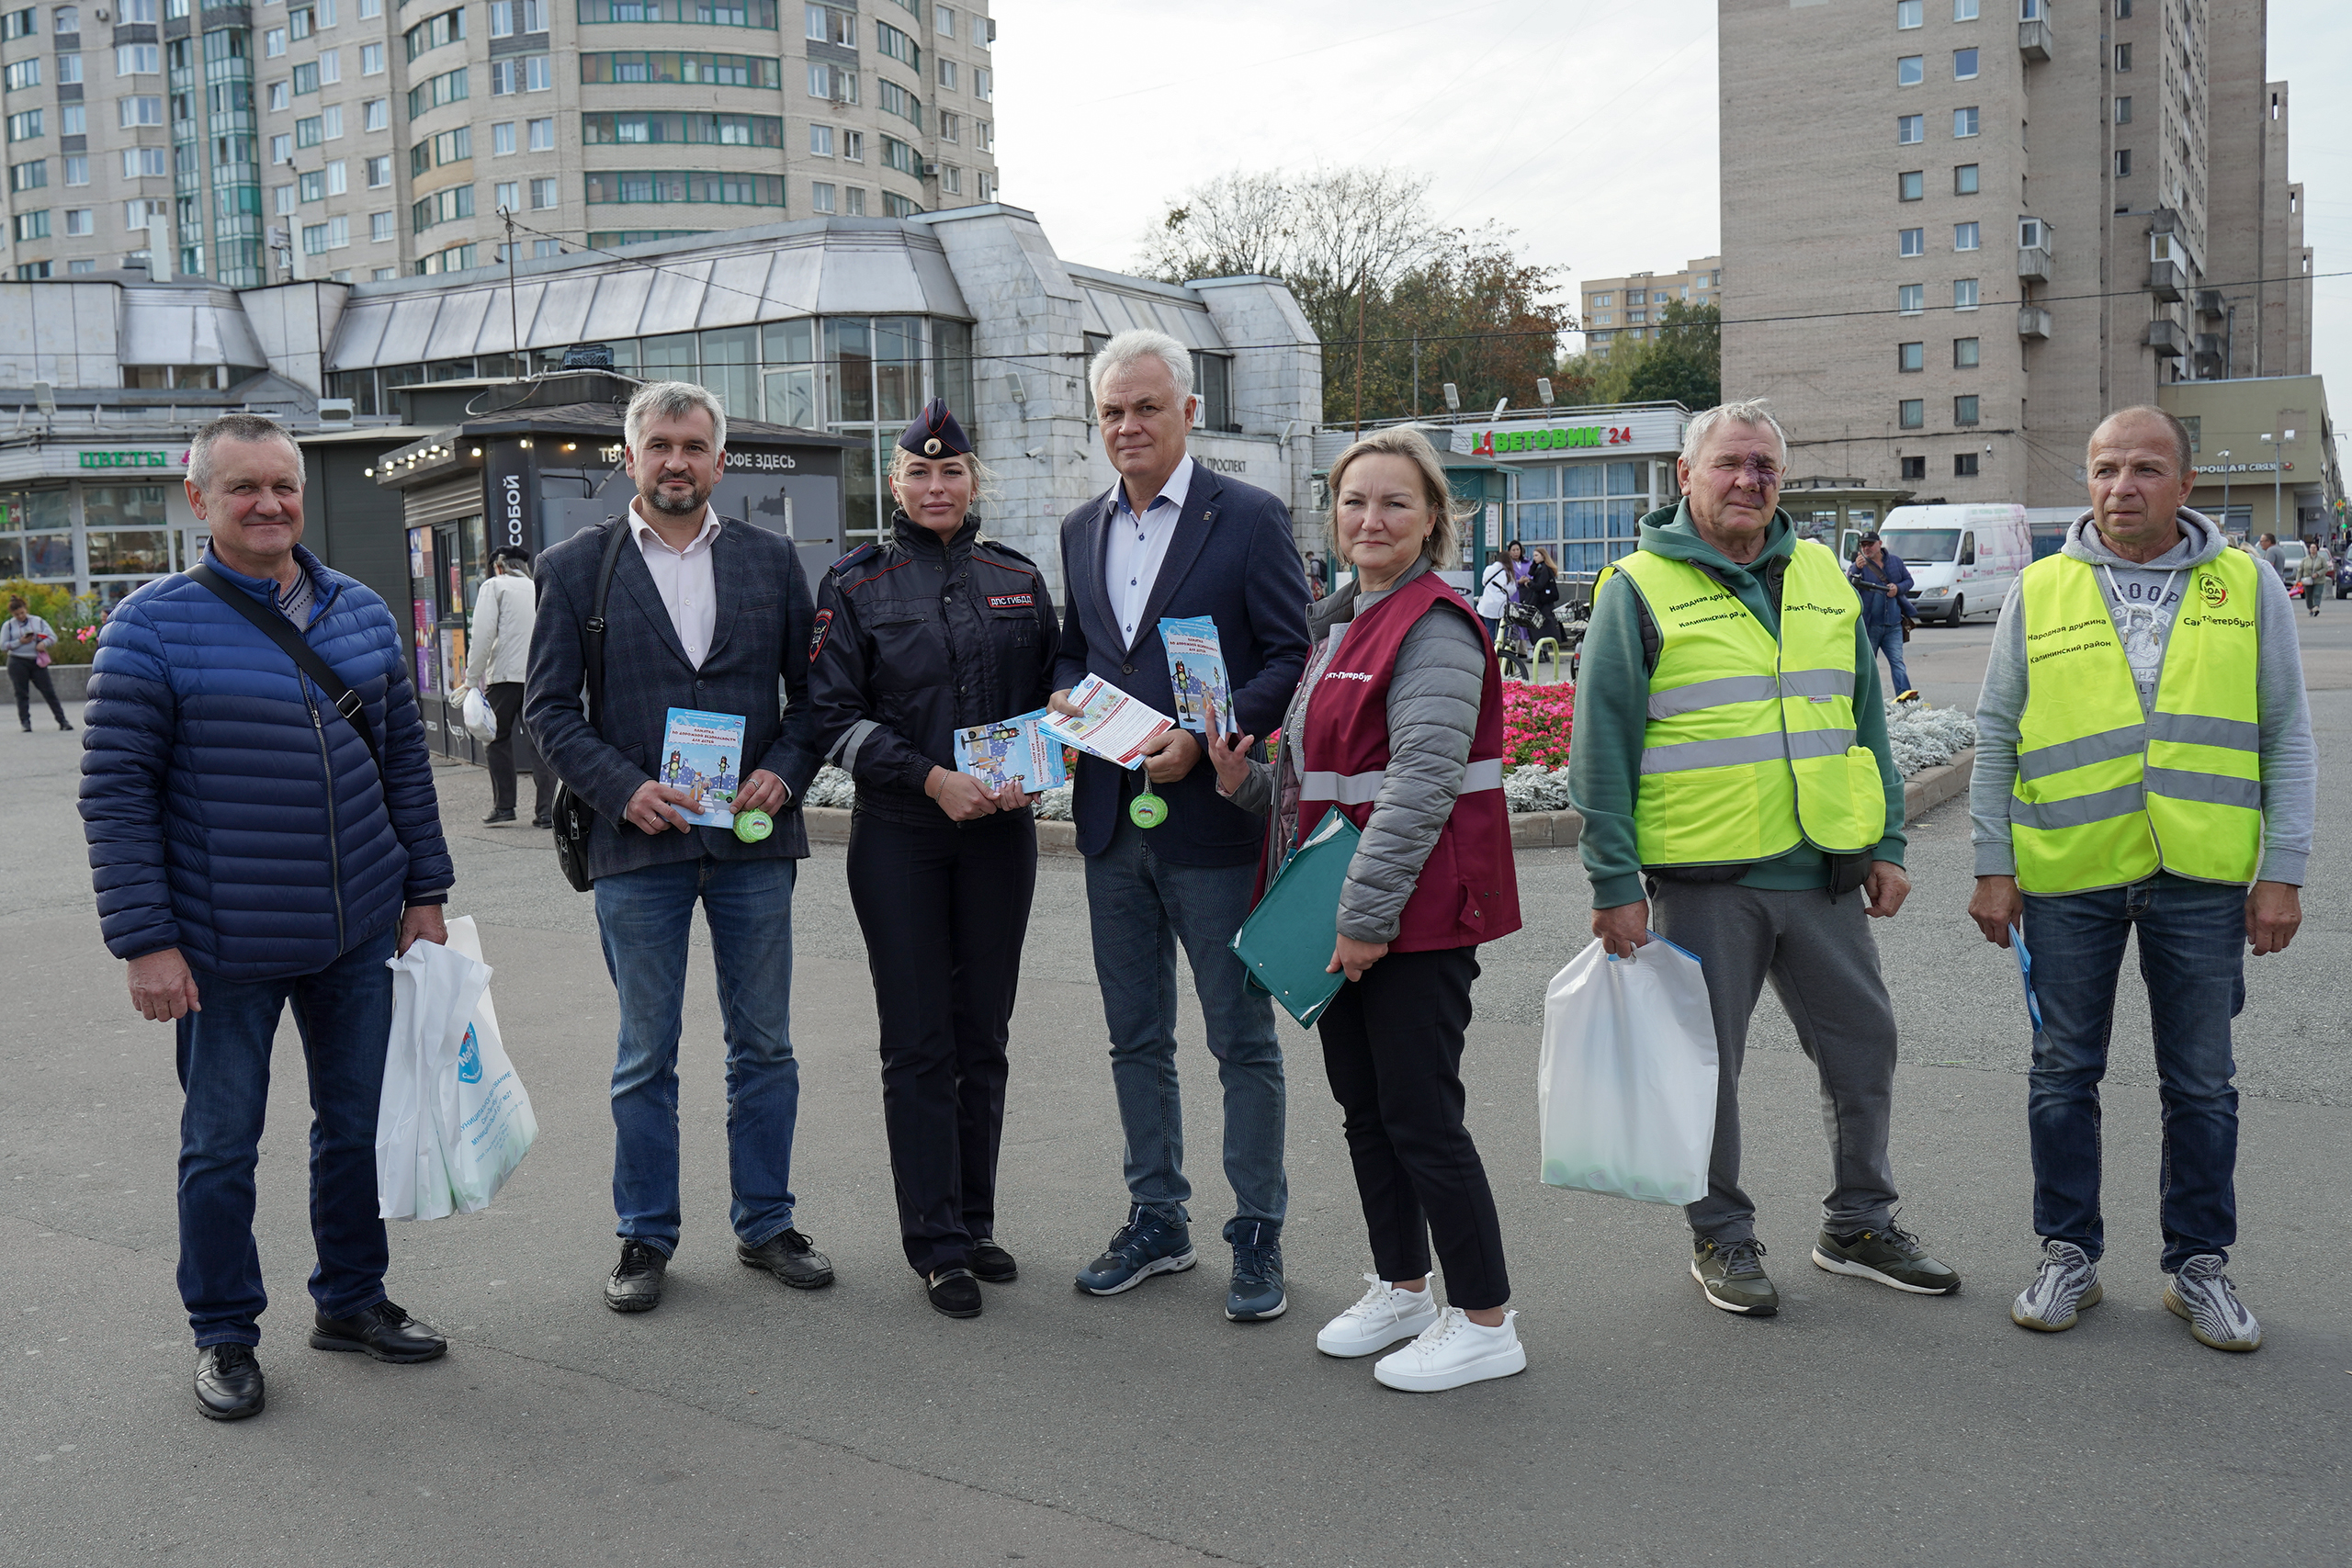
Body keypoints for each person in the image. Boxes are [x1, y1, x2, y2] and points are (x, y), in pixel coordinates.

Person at [79, 412, 457, 1422]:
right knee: (220, 1145)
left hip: (355, 931)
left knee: (357, 1129)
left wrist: (424, 895)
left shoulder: (362, 614)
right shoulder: (150, 626)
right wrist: (146, 943)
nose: (269, 504)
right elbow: (115, 795)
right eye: (243, 487)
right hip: (221, 944)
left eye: (282, 486)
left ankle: (351, 1301)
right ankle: (224, 1335)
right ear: (198, 501)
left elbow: (405, 772)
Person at [1568, 398, 1959, 1318]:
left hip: (1822, 872)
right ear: (1686, 476)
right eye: (1731, 464)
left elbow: (1866, 719)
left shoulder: (1822, 575)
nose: (1749, 481)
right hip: (1705, 882)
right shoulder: (1638, 586)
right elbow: (1602, 746)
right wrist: (1614, 883)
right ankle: (1722, 1237)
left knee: (1864, 1048)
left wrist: (1886, 842)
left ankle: (1858, 1224)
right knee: (1707, 1070)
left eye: (1765, 468)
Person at [1968, 406, 2312, 1354]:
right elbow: (1996, 734)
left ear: (2186, 485)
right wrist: (1991, 866)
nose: (2123, 486)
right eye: (2106, 468)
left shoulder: (2246, 585)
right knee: (2060, 1073)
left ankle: (2197, 1267)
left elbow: (2286, 736)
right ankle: (2066, 1254)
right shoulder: (2039, 590)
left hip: (2201, 878)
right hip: (2066, 876)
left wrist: (2279, 874)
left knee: (2200, 1083)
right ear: (2086, 481)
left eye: (2146, 469)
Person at [1207, 425, 1527, 1392]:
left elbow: (1422, 784)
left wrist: (1365, 918)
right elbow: (1330, 786)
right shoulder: (1340, 621)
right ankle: (1402, 1285)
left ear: (1433, 517)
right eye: (1354, 501)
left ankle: (1486, 1319)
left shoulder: (1432, 622)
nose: (1370, 518)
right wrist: (1247, 790)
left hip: (1410, 920)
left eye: (1394, 501)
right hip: (1351, 911)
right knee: (1365, 1113)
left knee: (1422, 1117)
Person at [524, 380, 829, 1315]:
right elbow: (546, 711)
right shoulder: (579, 566)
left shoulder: (774, 562)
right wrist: (622, 788)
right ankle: (646, 1234)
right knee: (644, 1055)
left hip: (750, 838)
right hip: (638, 845)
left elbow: (812, 702)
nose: (675, 462)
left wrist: (783, 771)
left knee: (765, 1046)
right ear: (629, 458)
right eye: (658, 445)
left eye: (693, 447)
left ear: (719, 462)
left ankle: (765, 1222)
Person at [1048, 328, 1311, 1322]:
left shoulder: (1244, 518)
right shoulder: (1081, 529)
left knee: (1238, 1039)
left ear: (1188, 412)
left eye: (1146, 407)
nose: (1127, 426)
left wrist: (1208, 741)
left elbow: (1289, 654)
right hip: (1114, 822)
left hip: (1209, 824)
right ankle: (1157, 1217)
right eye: (1112, 411)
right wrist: (1077, 712)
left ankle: (1257, 1232)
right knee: (1133, 1038)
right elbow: (1074, 656)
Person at [809, 398, 1061, 1320]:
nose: (935, 484)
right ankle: (935, 1242)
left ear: (972, 480)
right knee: (918, 1042)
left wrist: (1046, 755)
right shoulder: (856, 583)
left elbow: (1055, 691)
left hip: (999, 832)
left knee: (981, 1036)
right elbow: (832, 716)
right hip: (902, 836)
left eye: (950, 471)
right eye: (918, 472)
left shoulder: (1018, 578)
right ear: (895, 483)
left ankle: (976, 1218)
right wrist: (928, 778)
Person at [462, 545, 553, 828]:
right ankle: (547, 811)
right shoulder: (536, 586)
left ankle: (504, 806)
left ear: (499, 566)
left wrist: (470, 680)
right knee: (540, 744)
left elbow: (483, 635)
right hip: (537, 675)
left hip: (504, 677)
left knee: (495, 738)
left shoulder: (494, 586)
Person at [1849, 531, 1920, 701]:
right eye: (1863, 545)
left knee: (1897, 663)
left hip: (1893, 625)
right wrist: (1856, 568)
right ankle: (1864, 700)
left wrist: (1897, 588)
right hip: (1870, 625)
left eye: (1870, 544)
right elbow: (1849, 587)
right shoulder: (1858, 565)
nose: (1866, 548)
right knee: (1868, 665)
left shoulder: (1895, 561)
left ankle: (1905, 698)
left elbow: (1909, 582)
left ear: (1879, 544)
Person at [2, 594, 72, 732]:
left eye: (22, 613)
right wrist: (19, 642)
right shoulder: (9, 626)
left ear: (26, 609)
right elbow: (3, 645)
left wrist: (44, 643)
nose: (21, 616)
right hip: (17, 661)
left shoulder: (38, 621)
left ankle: (62, 720)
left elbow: (53, 637)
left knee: (49, 692)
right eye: (17, 615)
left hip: (36, 661)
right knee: (21, 693)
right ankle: (25, 722)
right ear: (13, 614)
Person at [1524, 544, 1566, 650]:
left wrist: (1529, 584)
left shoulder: (1544, 570)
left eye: (1536, 556)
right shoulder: (1542, 568)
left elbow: (1539, 586)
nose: (1534, 558)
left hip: (1543, 602)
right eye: (1533, 556)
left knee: (1541, 628)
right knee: (1543, 627)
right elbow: (1531, 572)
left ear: (1543, 556)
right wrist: (1534, 563)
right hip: (1544, 602)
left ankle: (1543, 651)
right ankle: (1544, 651)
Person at [1475, 548, 1511, 644]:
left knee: (1490, 632)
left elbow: (1484, 582)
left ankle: (1491, 654)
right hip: (1502, 606)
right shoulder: (1508, 572)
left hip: (1487, 606)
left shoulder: (1489, 569)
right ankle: (1503, 654)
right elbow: (1512, 589)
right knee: (1503, 632)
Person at [2295, 539, 2327, 617]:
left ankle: (2316, 607)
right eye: (2311, 548)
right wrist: (2298, 580)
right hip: (2307, 581)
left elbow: (2325, 568)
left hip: (2319, 580)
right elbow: (2300, 569)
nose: (2313, 549)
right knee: (2308, 596)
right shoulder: (2305, 559)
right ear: (2309, 549)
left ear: (2317, 549)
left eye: (2314, 548)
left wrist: (2318, 573)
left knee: (2317, 594)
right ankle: (2310, 609)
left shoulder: (2321, 559)